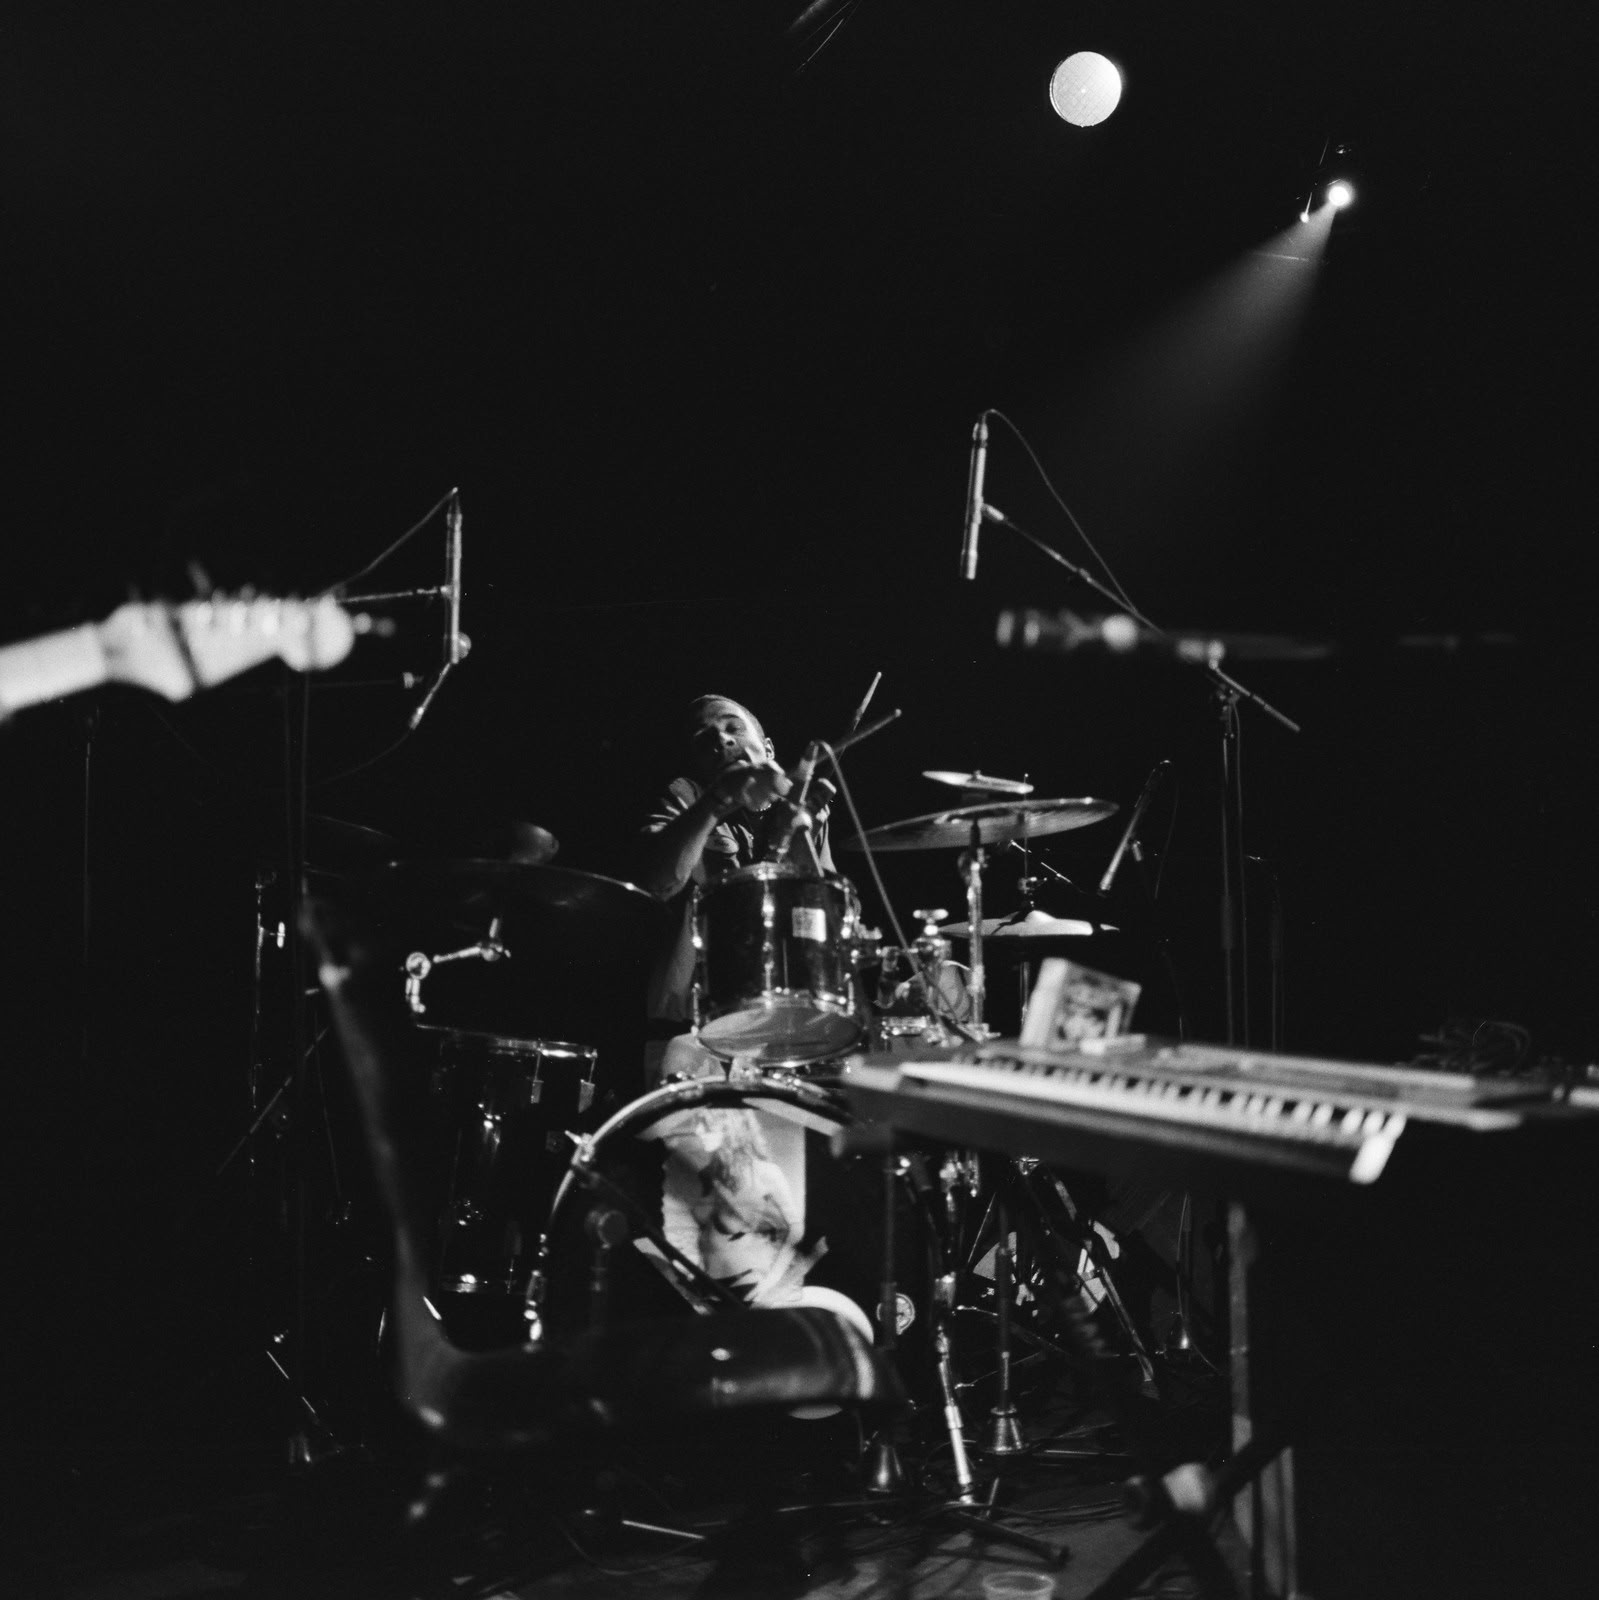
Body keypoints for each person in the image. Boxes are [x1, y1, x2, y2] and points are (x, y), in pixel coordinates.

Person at [636, 694, 834, 1082]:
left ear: (769, 748)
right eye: (704, 738)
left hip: (784, 1029)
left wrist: (798, 834)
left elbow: (826, 923)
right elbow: (659, 883)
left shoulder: (799, 807)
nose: (721, 740)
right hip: (689, 1033)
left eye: (732, 727)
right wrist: (718, 799)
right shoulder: (685, 797)